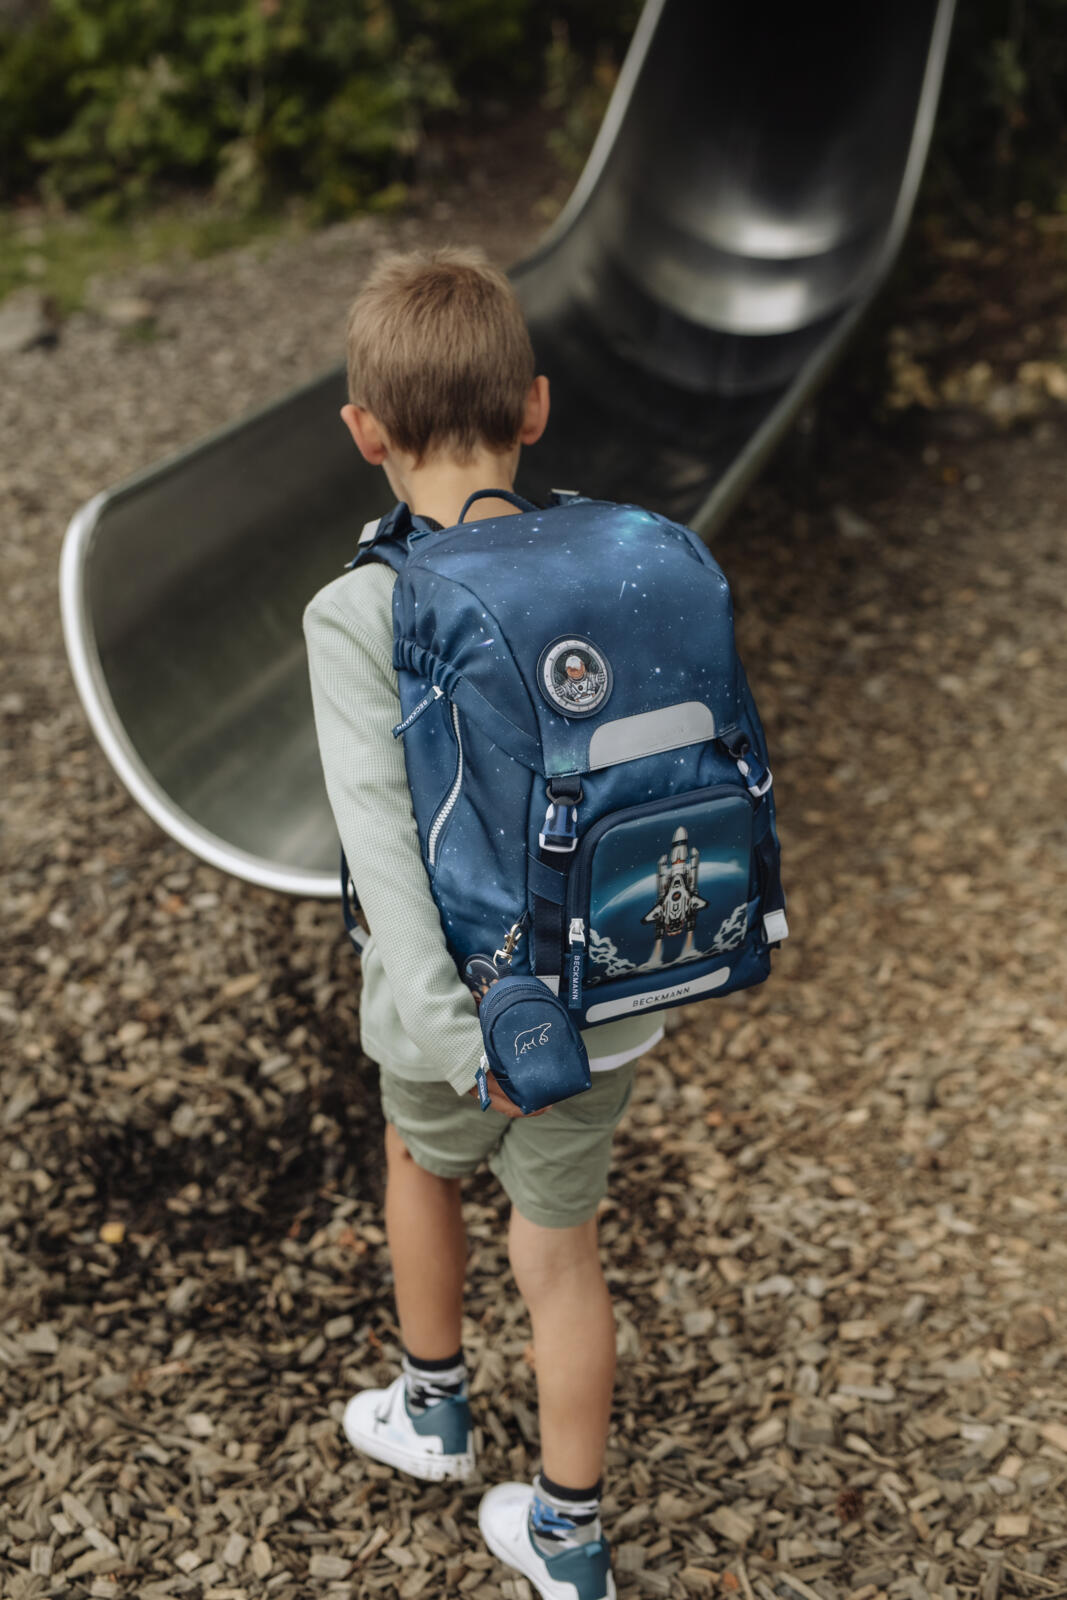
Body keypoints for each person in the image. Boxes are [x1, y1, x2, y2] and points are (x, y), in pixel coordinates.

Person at [303, 248, 662, 1600]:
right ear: (536, 407)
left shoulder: (359, 611)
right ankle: (569, 1540)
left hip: (448, 1019)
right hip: (607, 994)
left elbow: (383, 854)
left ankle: (433, 1410)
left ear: (364, 432)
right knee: (561, 1252)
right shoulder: (621, 564)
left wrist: (465, 1045)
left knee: (420, 1160)